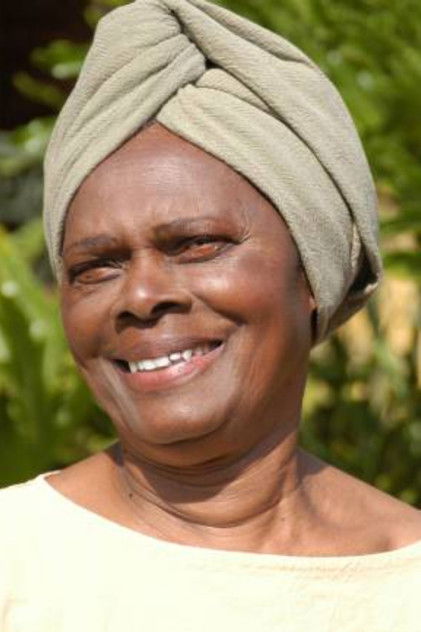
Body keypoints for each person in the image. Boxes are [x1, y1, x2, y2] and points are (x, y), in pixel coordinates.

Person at [1, 0, 420, 630]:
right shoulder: (17, 560)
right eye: (97, 266)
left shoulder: (402, 582)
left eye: (197, 244)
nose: (141, 295)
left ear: (310, 272)